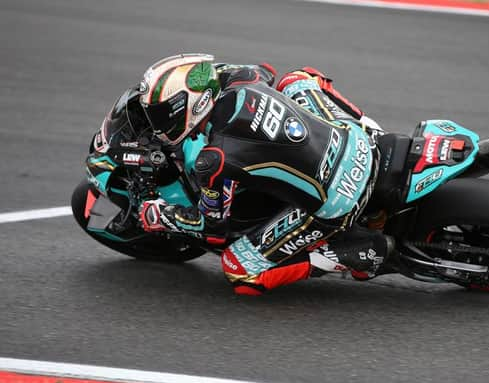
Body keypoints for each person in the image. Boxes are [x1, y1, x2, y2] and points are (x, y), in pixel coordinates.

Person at [101, 53, 394, 295]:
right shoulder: (243, 79)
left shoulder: (212, 160)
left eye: (163, 115)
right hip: (355, 139)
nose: (158, 125)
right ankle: (371, 128)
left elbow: (213, 229)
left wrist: (160, 216)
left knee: (240, 271)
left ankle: (357, 255)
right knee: (298, 78)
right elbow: (264, 71)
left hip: (339, 199)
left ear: (192, 106)